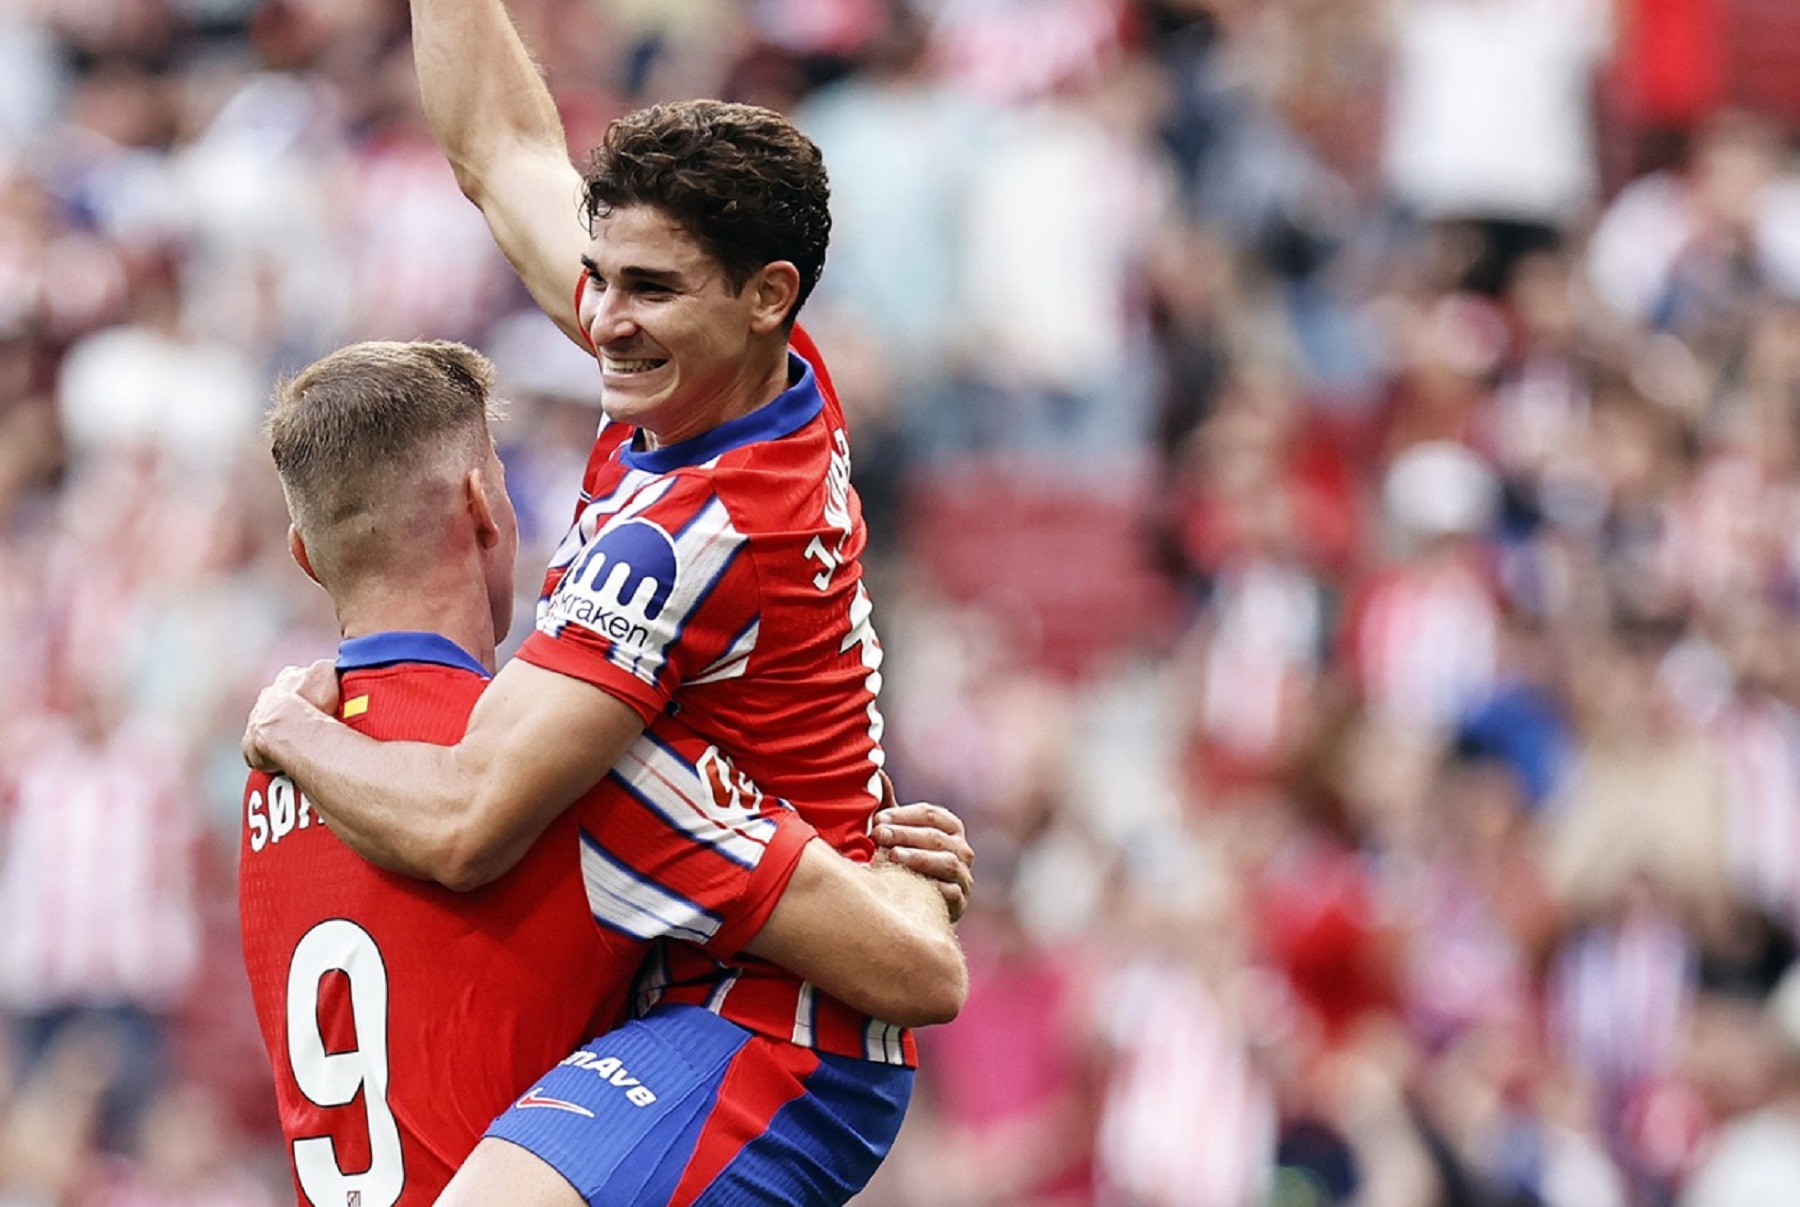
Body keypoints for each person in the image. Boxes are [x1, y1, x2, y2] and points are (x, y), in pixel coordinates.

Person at [243, 339, 967, 1206]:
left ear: (305, 553)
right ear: (484, 507)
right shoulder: (567, 776)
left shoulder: (274, 777)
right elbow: (917, 973)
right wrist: (902, 875)